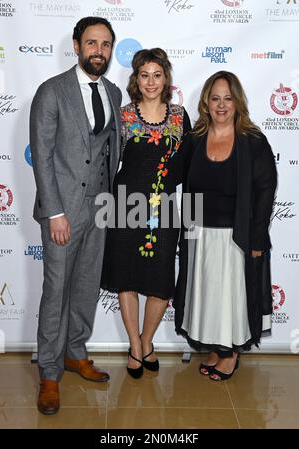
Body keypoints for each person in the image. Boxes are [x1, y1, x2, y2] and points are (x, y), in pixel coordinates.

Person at [30, 16, 122, 415]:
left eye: (104, 44)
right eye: (91, 43)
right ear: (76, 45)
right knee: (56, 292)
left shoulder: (115, 92)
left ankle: (74, 352)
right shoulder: (51, 92)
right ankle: (49, 373)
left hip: (100, 206)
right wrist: (54, 212)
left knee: (86, 285)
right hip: (63, 210)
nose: (97, 50)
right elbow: (43, 157)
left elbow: (110, 149)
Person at [174, 71, 277, 381]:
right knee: (207, 295)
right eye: (215, 98)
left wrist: (257, 237)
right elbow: (173, 175)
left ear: (237, 102)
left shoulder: (253, 140)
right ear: (207, 101)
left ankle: (231, 355)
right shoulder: (194, 138)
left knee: (231, 297)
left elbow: (265, 189)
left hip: (236, 236)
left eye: (227, 98)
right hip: (199, 234)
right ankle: (216, 348)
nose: (221, 105)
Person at [101, 48, 191, 378]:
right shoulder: (122, 116)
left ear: (165, 78)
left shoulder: (180, 116)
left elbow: (187, 166)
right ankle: (135, 348)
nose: (151, 81)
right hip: (125, 206)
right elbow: (108, 163)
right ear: (135, 79)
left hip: (165, 209)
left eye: (157, 75)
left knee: (160, 281)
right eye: (144, 75)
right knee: (126, 276)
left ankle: (147, 341)